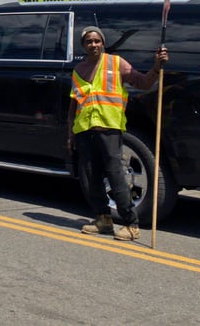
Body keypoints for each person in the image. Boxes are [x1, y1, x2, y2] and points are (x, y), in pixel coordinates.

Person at [68, 25, 168, 241]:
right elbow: (74, 105)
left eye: (97, 41)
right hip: (85, 131)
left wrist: (157, 66)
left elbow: (143, 82)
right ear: (83, 45)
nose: (93, 44)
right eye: (88, 41)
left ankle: (131, 224)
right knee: (91, 177)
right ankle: (103, 219)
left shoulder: (116, 63)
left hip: (109, 129)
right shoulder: (79, 70)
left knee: (115, 175)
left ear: (102, 43)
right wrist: (70, 134)